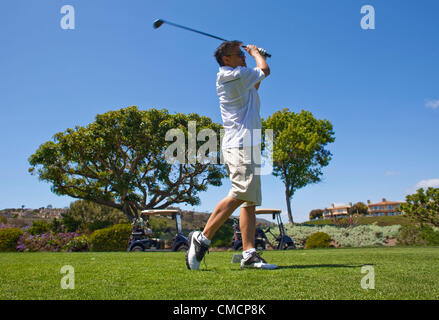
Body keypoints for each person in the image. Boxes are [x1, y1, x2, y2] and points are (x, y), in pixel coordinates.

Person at [185, 41, 277, 270]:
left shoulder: (241, 78)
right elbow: (264, 71)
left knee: (249, 201)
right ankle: (202, 238)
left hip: (250, 144)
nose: (244, 57)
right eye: (239, 54)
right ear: (226, 59)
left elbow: (256, 83)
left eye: (244, 54)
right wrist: (256, 53)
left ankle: (249, 254)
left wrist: (254, 58)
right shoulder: (229, 76)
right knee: (241, 192)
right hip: (239, 145)